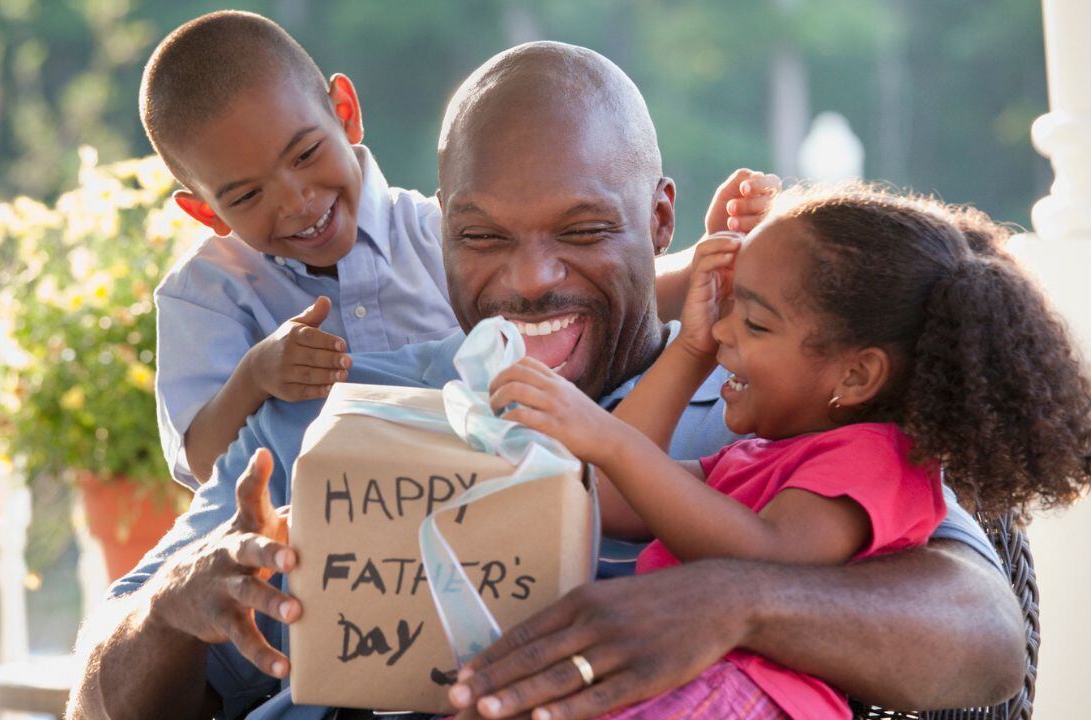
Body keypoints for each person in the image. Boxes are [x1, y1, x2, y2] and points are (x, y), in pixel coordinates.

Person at [69, 43, 1027, 720]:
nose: (529, 280)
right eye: (482, 236)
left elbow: (986, 637)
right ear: (439, 230)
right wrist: (175, 609)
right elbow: (97, 703)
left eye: (580, 232)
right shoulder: (329, 421)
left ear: (660, 222)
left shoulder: (782, 413)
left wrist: (728, 600)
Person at [482, 187, 1091, 719]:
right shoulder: (759, 458)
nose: (724, 331)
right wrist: (691, 347)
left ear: (855, 377)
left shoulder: (875, 460)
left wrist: (608, 436)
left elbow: (767, 558)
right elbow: (615, 497)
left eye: (757, 324)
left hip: (744, 695)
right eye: (730, 311)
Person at [142, 11, 776, 490]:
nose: (297, 201)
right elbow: (204, 468)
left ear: (346, 112)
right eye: (248, 195)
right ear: (205, 212)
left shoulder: (430, 230)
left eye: (306, 155)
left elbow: (609, 294)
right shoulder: (211, 294)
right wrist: (256, 379)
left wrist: (721, 256)